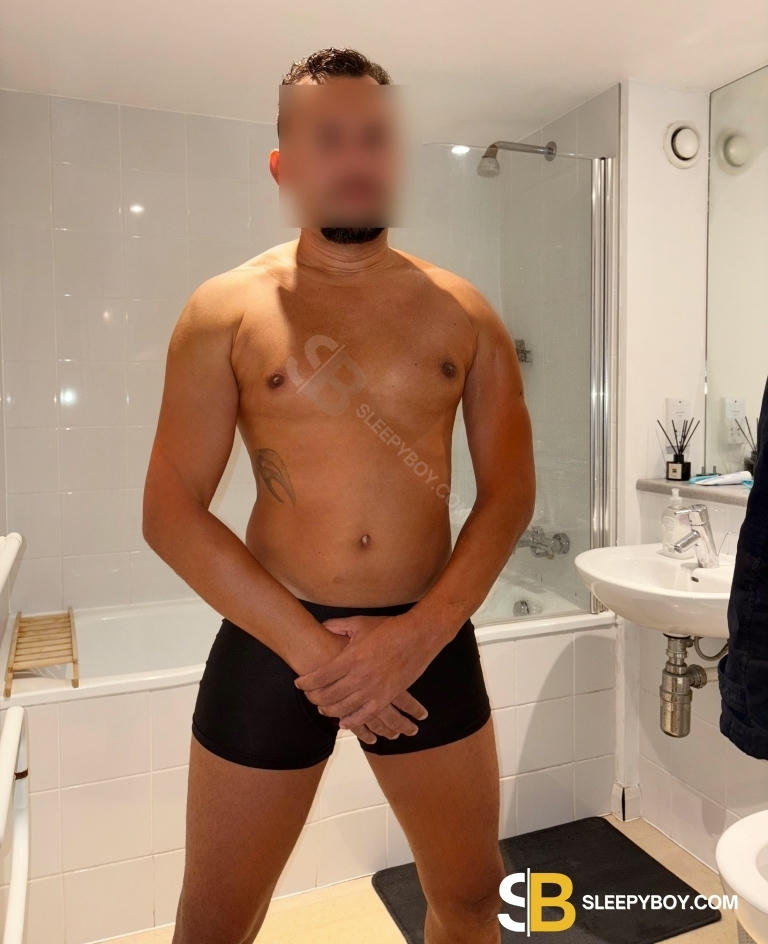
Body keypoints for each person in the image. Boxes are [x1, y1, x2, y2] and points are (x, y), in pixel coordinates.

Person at [143, 46, 535, 944]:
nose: (355, 159)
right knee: (214, 925)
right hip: (273, 641)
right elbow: (169, 510)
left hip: (425, 635)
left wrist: (416, 637)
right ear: (284, 164)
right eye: (329, 139)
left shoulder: (464, 312)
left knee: (473, 899)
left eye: (374, 138)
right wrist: (320, 656)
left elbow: (510, 492)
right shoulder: (226, 310)